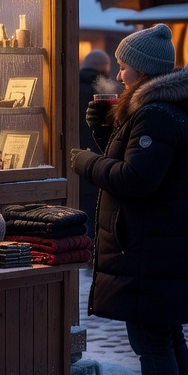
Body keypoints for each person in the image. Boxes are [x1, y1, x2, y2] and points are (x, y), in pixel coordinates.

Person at [69, 23, 188, 375]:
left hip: (152, 244)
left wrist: (85, 161)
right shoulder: (167, 110)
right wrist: (105, 131)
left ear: (144, 69)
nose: (119, 69)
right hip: (165, 241)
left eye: (125, 62)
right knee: (167, 335)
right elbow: (137, 163)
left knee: (152, 339)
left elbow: (136, 180)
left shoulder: (156, 115)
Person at [77, 49, 118, 236]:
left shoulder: (68, 86)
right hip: (100, 159)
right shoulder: (110, 91)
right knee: (94, 212)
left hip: (72, 156)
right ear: (105, 69)